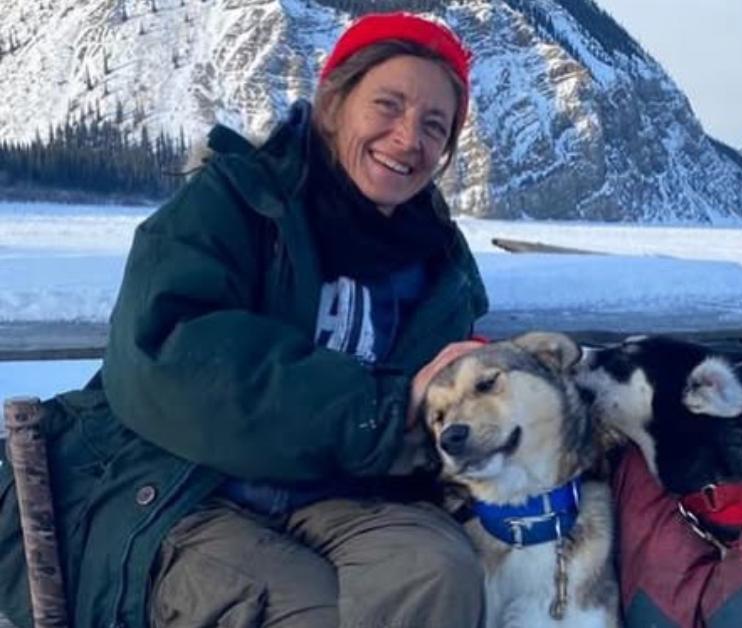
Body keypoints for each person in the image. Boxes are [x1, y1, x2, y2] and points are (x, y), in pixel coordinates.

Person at [0, 11, 488, 628]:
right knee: (305, 608)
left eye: (434, 125)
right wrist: (384, 409)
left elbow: (451, 401)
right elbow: (172, 358)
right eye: (387, 105)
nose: (407, 137)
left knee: (436, 572)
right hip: (185, 485)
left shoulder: (440, 263)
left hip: (348, 497)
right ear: (334, 103)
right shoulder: (234, 200)